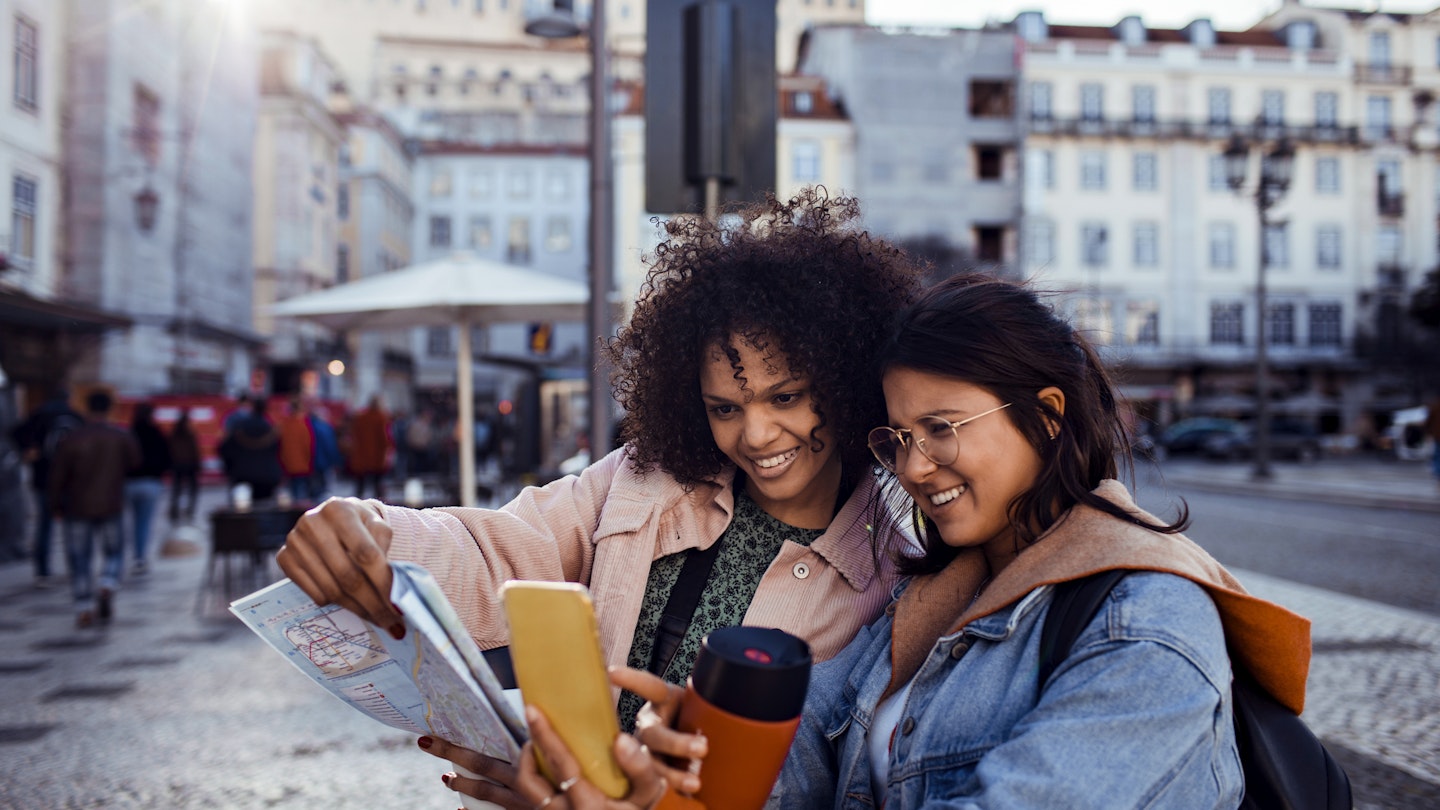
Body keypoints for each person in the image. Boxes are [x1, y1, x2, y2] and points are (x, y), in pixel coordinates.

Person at [496, 275, 1315, 810]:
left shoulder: (1146, 626)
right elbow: (804, 755)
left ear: (1050, 415)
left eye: (943, 429)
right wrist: (671, 774)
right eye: (897, 438)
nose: (915, 467)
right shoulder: (930, 602)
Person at [277, 189, 923, 806]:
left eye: (785, 397)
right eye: (725, 407)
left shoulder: (894, 578)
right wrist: (376, 530)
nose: (756, 434)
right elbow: (501, 551)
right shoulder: (644, 477)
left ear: (844, 379)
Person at [50, 390, 140, 628]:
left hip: (77, 506)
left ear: (87, 408)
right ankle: (107, 582)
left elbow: (58, 475)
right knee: (114, 551)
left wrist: (55, 504)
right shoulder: (120, 436)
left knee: (79, 557)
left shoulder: (73, 439)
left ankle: (83, 606)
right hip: (111, 503)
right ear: (109, 408)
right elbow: (135, 462)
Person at [9, 388, 82, 587]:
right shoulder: (75, 417)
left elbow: (15, 432)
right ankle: (75, 568)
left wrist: (28, 450)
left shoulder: (39, 415)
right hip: (69, 481)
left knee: (45, 525)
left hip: (43, 479)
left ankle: (42, 571)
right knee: (71, 526)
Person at [124, 400, 171, 575]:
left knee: (128, 522)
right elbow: (167, 457)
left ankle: (126, 557)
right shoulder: (156, 433)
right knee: (144, 522)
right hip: (150, 482)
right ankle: (140, 557)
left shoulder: (129, 433)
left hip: (129, 483)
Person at [218, 396, 282, 501]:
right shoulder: (271, 430)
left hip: (242, 474)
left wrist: (230, 468)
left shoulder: (239, 428)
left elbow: (224, 449)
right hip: (267, 476)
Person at [348, 395, 392, 500]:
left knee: (360, 485)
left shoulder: (360, 417)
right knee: (377, 484)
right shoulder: (381, 417)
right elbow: (384, 437)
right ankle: (379, 506)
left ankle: (358, 505)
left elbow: (354, 435)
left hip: (361, 455)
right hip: (377, 456)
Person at [167, 408, 202, 523]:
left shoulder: (174, 434)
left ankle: (175, 510)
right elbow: (194, 450)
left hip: (177, 464)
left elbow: (170, 450)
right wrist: (197, 463)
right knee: (192, 490)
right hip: (189, 464)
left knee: (177, 489)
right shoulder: (190, 433)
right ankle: (190, 510)